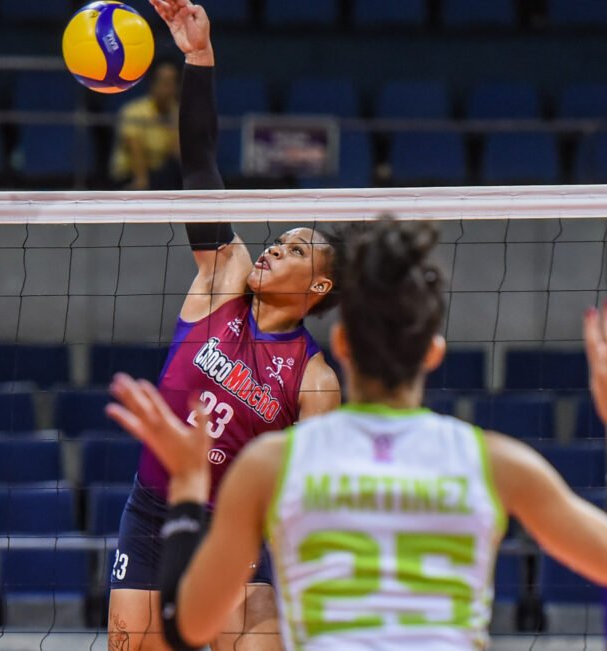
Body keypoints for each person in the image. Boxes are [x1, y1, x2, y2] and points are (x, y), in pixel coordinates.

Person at [107, 216, 607, 651]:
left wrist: (191, 486)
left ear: (341, 344)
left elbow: (185, 625)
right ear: (434, 351)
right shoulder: (498, 465)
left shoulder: (273, 467)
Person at [108, 0, 342, 651]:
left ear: (318, 285)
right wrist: (200, 57)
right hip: (153, 511)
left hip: (231, 528)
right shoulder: (224, 280)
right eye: (280, 238)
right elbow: (200, 168)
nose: (273, 246)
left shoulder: (315, 378)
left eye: (295, 249)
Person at [110, 61, 182, 190]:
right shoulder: (133, 111)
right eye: (163, 82)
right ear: (152, 83)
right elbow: (135, 149)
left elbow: (178, 155)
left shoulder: (177, 113)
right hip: (130, 173)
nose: (167, 88)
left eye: (172, 83)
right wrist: (141, 180)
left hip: (160, 173)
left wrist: (174, 124)